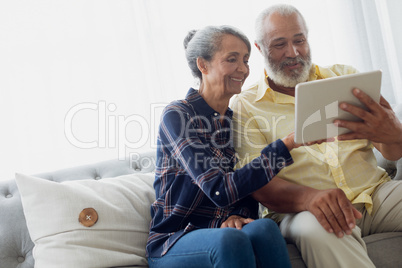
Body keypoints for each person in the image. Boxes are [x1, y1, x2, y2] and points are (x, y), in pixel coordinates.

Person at [230, 4, 402, 268]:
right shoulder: (246, 105)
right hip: (301, 210)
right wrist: (308, 197)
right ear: (260, 48)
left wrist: (395, 133)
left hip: (375, 194)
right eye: (279, 44)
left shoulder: (345, 76)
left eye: (299, 40)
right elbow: (254, 181)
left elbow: (391, 152)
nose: (293, 52)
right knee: (320, 227)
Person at [146, 25, 297, 268]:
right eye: (232, 59)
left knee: (265, 228)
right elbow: (218, 189)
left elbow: (246, 182)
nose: (243, 69)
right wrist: (286, 145)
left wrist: (239, 216)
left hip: (223, 231)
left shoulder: (237, 121)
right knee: (230, 239)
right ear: (203, 66)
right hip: (175, 239)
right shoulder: (178, 116)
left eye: (246, 60)